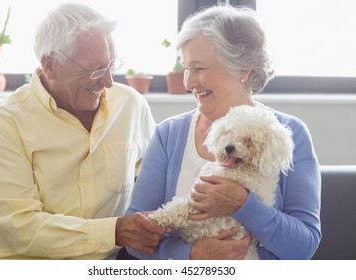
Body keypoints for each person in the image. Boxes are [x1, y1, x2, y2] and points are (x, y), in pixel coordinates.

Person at [0, 3, 167, 260]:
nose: (108, 82)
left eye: (111, 66)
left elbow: (156, 187)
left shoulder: (130, 105)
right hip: (18, 260)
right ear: (50, 65)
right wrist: (115, 232)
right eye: (96, 69)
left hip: (103, 261)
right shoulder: (5, 121)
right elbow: (20, 227)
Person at [125, 4, 321, 260]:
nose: (188, 82)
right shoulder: (169, 135)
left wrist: (243, 205)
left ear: (243, 70)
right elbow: (135, 238)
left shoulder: (289, 134)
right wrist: (191, 255)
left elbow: (303, 247)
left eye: (199, 68)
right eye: (185, 68)